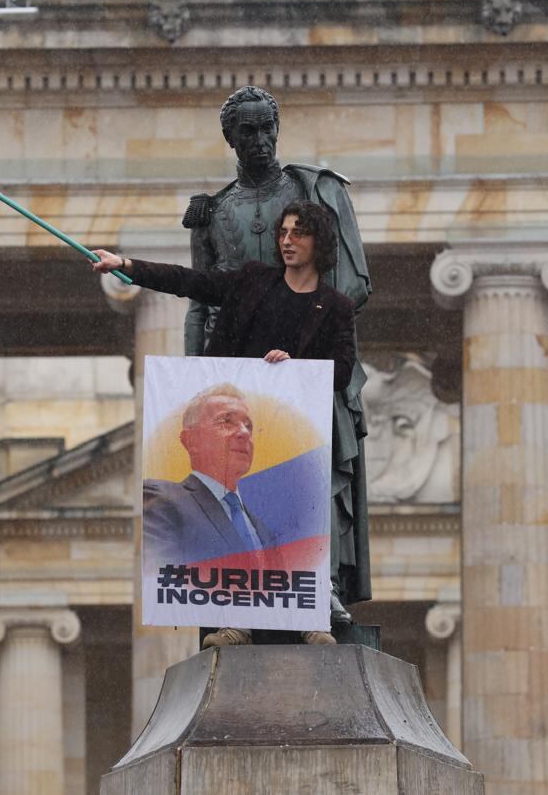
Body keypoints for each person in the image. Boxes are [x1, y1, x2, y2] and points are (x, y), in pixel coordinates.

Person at [91, 200, 355, 646]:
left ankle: (310, 618)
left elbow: (344, 369)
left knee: (294, 517)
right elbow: (191, 282)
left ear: (319, 243)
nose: (287, 242)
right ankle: (235, 623)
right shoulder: (255, 282)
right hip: (236, 404)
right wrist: (127, 266)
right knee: (235, 520)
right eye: (283, 233)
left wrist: (297, 363)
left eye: (298, 234)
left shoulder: (333, 306)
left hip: (291, 420)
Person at [180, 86, 372, 622]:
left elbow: (354, 287)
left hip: (306, 360)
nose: (262, 141)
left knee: (317, 466)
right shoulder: (213, 213)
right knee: (236, 476)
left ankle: (321, 582)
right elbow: (199, 300)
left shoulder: (317, 195)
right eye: (249, 131)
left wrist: (298, 329)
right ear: (230, 139)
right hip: (240, 366)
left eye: (269, 128)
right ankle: (239, 593)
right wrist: (193, 378)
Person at [143, 384, 275, 566]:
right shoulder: (160, 500)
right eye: (226, 421)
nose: (244, 433)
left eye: (248, 426)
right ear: (191, 441)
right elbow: (160, 581)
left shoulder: (264, 531)